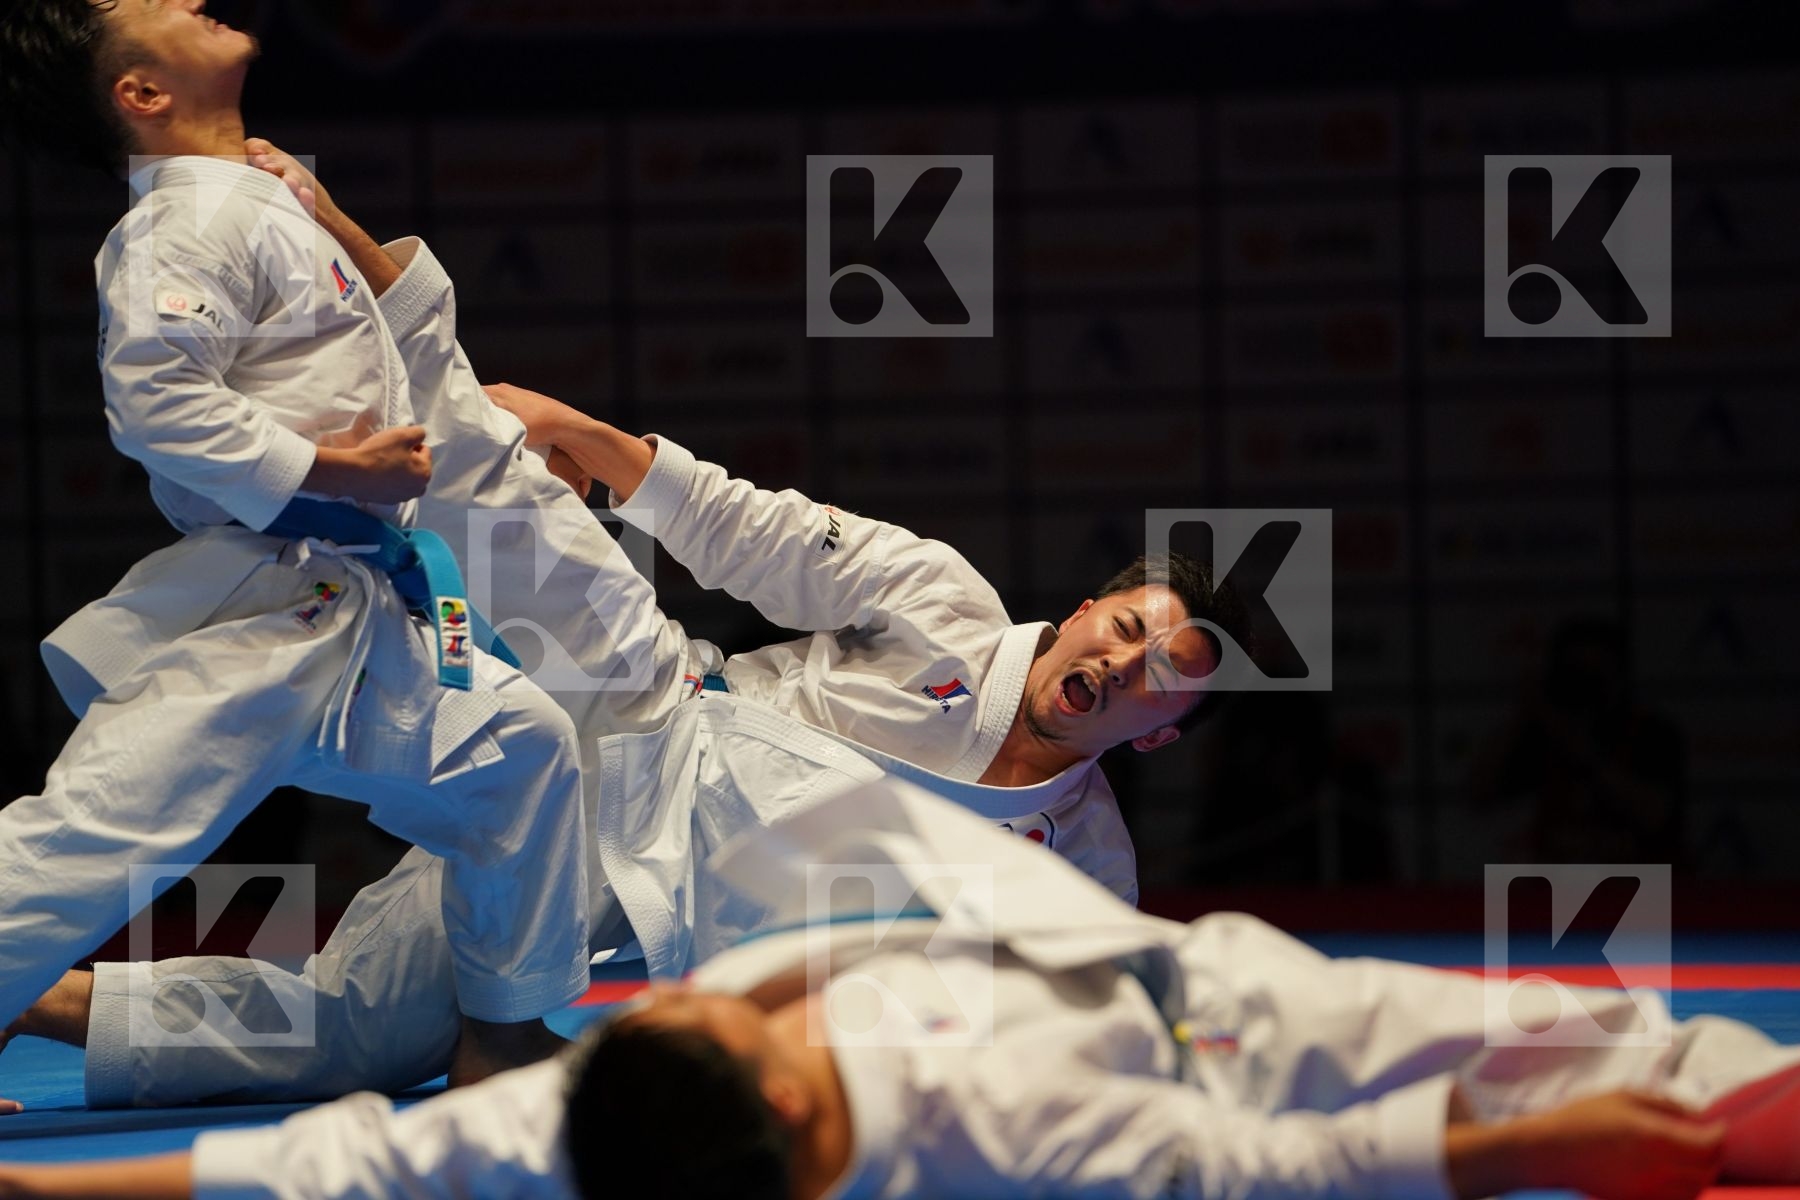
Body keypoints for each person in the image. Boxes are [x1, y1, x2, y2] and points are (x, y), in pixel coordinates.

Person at [2, 142, 1250, 1110]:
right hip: (647, 703)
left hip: (632, 891)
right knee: (470, 452)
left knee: (362, 1040)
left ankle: (30, 997)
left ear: (1163, 737)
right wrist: (603, 446)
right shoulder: (944, 601)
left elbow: (1088, 1029)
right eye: (1129, 625)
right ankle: (318, 214)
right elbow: (751, 529)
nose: (1125, 661)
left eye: (1163, 676)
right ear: (1086, 608)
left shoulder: (1082, 870)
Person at [3, 780, 1797, 1199]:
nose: (697, 1001)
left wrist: (34, 1186)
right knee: (1626, 1074)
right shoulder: (982, 1128)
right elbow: (1255, 1180)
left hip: (1128, 960)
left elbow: (349, 1168)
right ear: (785, 1106)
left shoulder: (612, 1111)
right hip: (1249, 1044)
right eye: (711, 1022)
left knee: (338, 1048)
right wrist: (1521, 1155)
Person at [0, 0, 593, 1087]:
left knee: (524, 752)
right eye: (151, 3)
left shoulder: (259, 198)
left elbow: (402, 345)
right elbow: (155, 404)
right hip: (273, 607)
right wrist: (339, 470)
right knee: (91, 842)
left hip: (360, 609)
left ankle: (500, 1036)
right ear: (141, 93)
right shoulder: (180, 226)